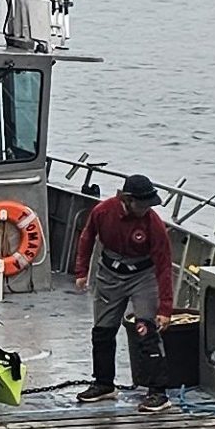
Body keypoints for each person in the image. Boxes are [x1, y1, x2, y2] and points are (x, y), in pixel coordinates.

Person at [72, 173, 173, 412]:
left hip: (143, 276)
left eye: (150, 204)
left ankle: (158, 392)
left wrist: (165, 308)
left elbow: (164, 264)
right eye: (142, 204)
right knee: (103, 330)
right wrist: (81, 271)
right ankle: (104, 383)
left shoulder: (153, 223)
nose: (146, 208)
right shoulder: (103, 212)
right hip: (109, 274)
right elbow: (87, 238)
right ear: (127, 199)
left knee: (145, 329)